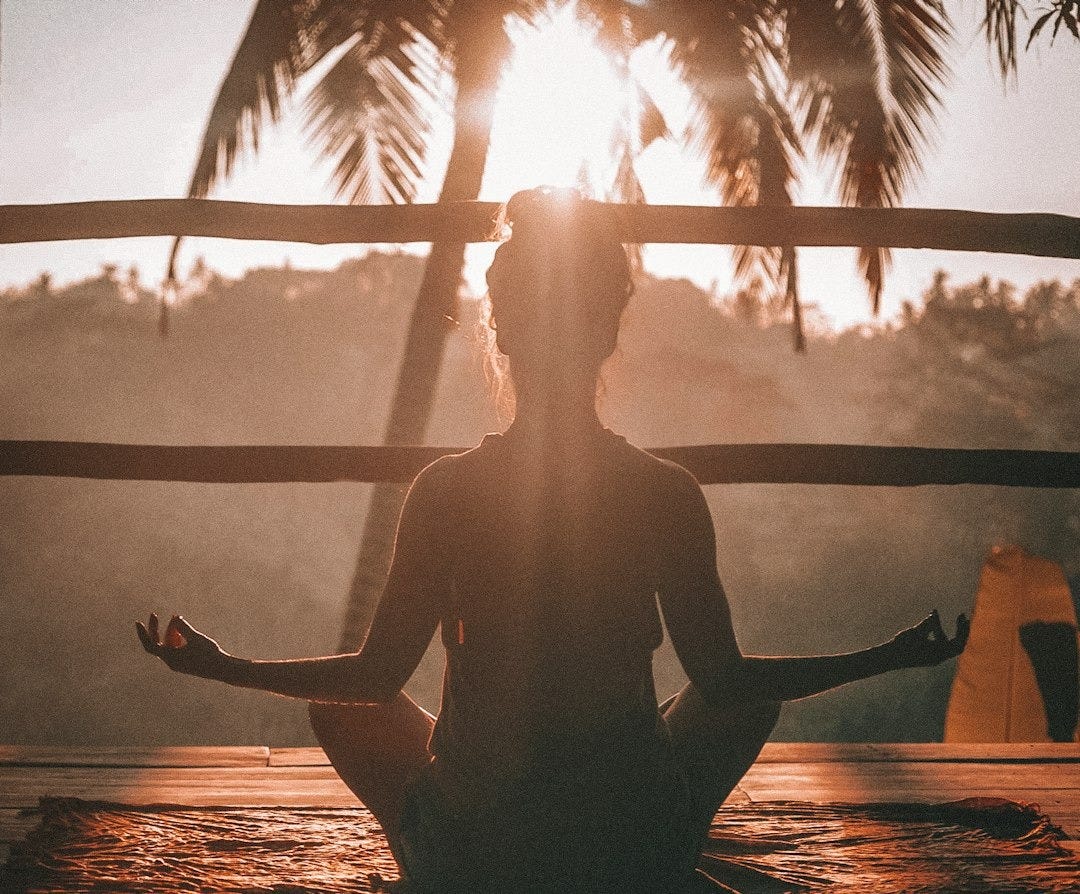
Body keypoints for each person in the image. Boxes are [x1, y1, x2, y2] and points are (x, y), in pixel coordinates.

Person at [137, 187, 970, 894]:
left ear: (500, 329)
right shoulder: (664, 492)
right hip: (628, 847)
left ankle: (450, 859)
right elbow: (725, 679)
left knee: (342, 710)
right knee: (740, 699)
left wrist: (221, 665)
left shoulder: (448, 491)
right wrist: (888, 655)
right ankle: (662, 853)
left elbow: (373, 678)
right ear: (610, 332)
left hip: (478, 854)